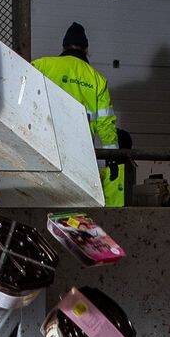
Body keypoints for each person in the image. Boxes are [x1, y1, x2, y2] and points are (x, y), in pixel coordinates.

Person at [34, 23, 123, 208]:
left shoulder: (42, 65)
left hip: (44, 148)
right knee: (76, 207)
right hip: (81, 156)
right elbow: (105, 124)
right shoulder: (96, 79)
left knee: (44, 204)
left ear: (64, 46)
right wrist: (112, 157)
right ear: (86, 48)